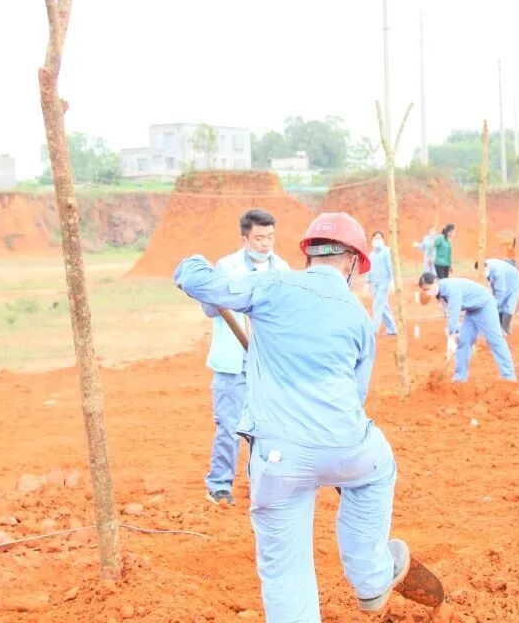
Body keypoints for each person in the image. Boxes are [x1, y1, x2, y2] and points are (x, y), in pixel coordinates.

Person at [174, 211, 411, 621]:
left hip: (277, 457)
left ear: (308, 255)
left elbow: (197, 281)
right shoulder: (359, 316)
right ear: (352, 263)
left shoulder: (272, 285)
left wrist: (193, 262)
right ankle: (372, 577)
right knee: (377, 471)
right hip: (346, 446)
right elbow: (357, 396)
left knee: (284, 568)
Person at [196, 208, 290, 507]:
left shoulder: (283, 269)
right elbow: (209, 310)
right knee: (229, 427)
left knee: (267, 429)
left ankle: (262, 484)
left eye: (270, 237)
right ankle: (219, 485)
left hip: (267, 364)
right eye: (259, 238)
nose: (266, 243)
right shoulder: (226, 267)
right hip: (232, 364)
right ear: (245, 239)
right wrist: (216, 292)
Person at [418, 272, 516, 383]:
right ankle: (459, 378)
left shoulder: (451, 289)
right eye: (424, 291)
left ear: (435, 281)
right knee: (463, 341)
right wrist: (451, 335)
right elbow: (448, 316)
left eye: (427, 289)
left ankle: (509, 377)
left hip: (485, 305)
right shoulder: (440, 293)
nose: (427, 292)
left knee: (495, 340)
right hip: (471, 310)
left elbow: (454, 314)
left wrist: (451, 336)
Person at [480, 257, 519, 334]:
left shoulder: (498, 273)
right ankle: (499, 326)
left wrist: (493, 305)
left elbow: (500, 293)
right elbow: (494, 286)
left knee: (509, 304)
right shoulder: (487, 265)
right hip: (507, 278)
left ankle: (504, 328)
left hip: (516, 282)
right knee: (499, 303)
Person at [366, 230, 398, 336]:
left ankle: (373, 330)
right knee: (383, 307)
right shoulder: (372, 253)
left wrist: (392, 280)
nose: (377, 240)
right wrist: (367, 281)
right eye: (375, 238)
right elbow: (370, 268)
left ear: (383, 240)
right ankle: (392, 329)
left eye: (379, 238)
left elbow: (390, 266)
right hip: (375, 284)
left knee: (377, 306)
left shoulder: (386, 251)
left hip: (383, 284)